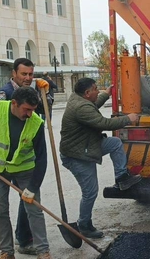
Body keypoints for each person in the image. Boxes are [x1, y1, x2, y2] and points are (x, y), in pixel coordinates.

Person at [59, 78, 143, 238]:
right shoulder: (81, 107)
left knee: (115, 143)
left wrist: (105, 94)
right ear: (87, 93)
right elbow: (103, 123)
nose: (97, 91)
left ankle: (122, 178)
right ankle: (84, 225)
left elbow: (93, 105)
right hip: (78, 155)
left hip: (87, 146)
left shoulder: (78, 99)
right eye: (96, 89)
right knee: (90, 192)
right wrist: (128, 119)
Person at [0, 87, 53, 259]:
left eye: (33, 109)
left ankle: (43, 251)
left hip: (25, 170)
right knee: (0, 211)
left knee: (34, 209)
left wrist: (32, 186)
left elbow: (42, 158)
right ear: (14, 104)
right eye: (27, 109)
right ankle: (7, 253)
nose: (30, 114)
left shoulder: (36, 123)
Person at [0, 58, 54, 255]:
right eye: (23, 74)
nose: (28, 78)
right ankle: (9, 250)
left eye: (30, 74)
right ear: (14, 74)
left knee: (30, 203)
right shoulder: (3, 96)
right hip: (0, 164)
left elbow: (44, 112)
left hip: (25, 162)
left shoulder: (34, 95)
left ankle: (29, 241)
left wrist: (47, 92)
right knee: (1, 210)